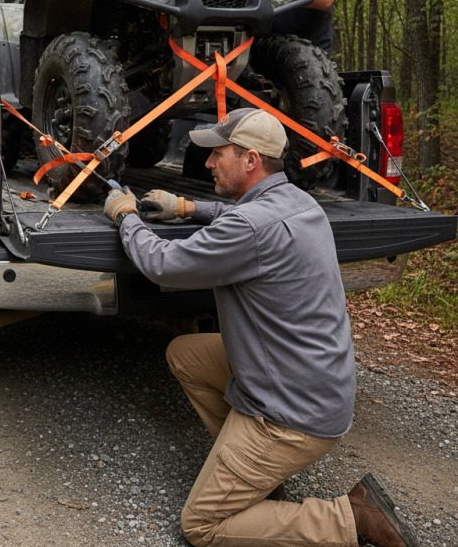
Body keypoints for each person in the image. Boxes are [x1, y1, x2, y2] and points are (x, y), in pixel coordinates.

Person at [103, 107, 419, 547]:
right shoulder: (298, 201)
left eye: (219, 154)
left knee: (201, 526)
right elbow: (249, 217)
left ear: (251, 160)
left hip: (290, 414)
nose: (208, 162)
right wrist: (189, 207)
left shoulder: (249, 226)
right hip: (316, 386)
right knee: (185, 355)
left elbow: (163, 264)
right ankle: (256, 479)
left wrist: (125, 216)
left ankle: (350, 519)